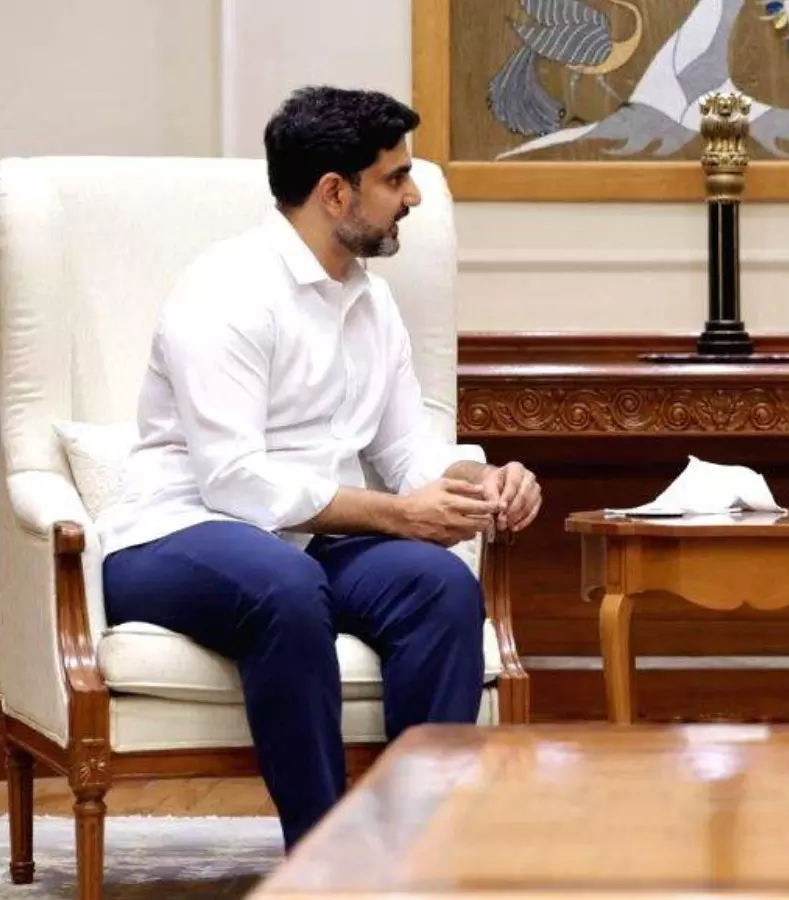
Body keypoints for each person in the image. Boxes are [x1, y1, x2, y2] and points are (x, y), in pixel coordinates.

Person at [97, 86, 543, 849]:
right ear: (335, 192)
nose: (413, 196)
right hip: (175, 533)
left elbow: (405, 455)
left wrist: (486, 480)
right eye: (396, 178)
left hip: (307, 540)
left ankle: (416, 846)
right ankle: (324, 857)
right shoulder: (227, 291)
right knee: (284, 585)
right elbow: (234, 480)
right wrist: (398, 516)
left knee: (441, 587)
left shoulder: (371, 304)